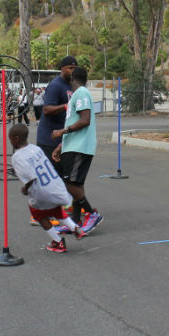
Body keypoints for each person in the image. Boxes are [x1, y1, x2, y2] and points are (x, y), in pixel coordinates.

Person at [9, 123, 89, 253]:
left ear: (16, 138)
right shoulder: (36, 148)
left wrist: (25, 189)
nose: (10, 141)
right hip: (55, 186)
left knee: (38, 214)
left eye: (10, 138)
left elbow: (30, 178)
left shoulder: (17, 157)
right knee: (56, 209)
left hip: (42, 191)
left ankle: (57, 242)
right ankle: (75, 229)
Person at [52, 66, 103, 233]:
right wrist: (61, 145)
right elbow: (74, 120)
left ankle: (91, 214)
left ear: (72, 78)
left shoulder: (81, 93)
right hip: (73, 145)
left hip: (79, 147)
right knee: (76, 184)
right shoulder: (78, 95)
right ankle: (74, 223)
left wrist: (62, 132)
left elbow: (85, 120)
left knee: (68, 183)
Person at [36, 56, 77, 175]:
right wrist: (66, 105)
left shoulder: (73, 85)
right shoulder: (55, 85)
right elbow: (47, 110)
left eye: (75, 68)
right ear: (62, 69)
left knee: (65, 177)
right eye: (70, 68)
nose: (73, 71)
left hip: (63, 140)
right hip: (49, 140)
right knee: (53, 179)